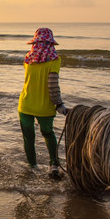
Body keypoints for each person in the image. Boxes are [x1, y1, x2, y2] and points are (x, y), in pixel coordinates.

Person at [17, 28, 67, 180]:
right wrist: (59, 104)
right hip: (45, 107)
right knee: (48, 134)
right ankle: (53, 165)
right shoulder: (54, 59)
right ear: (50, 43)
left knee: (28, 137)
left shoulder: (28, 58)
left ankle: (32, 167)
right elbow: (52, 84)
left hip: (25, 105)